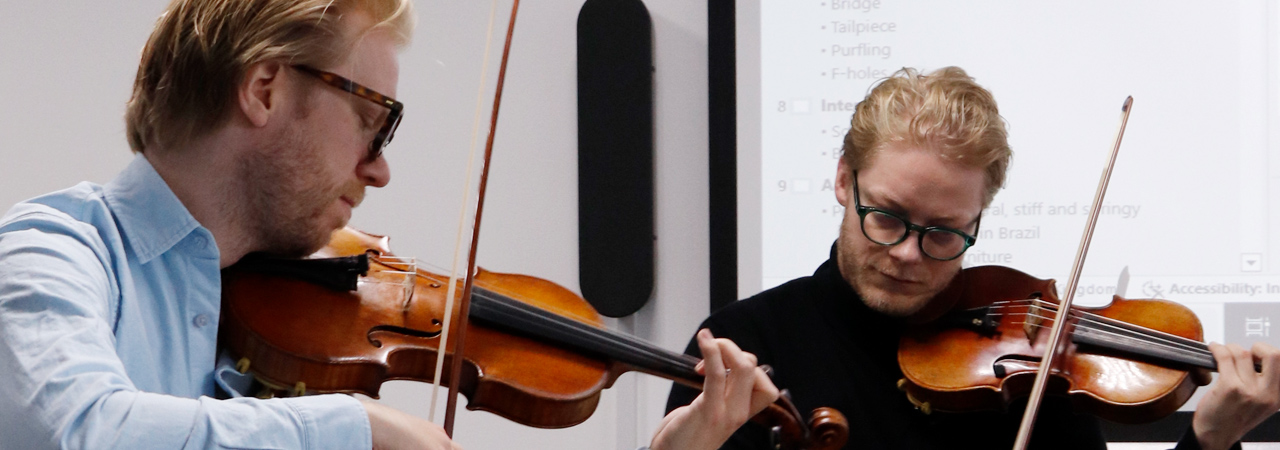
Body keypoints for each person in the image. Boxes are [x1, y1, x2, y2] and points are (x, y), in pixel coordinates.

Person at [0, 0, 775, 448]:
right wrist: (358, 424)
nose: (379, 169)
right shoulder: (53, 253)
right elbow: (82, 432)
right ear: (265, 89)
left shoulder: (292, 314)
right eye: (375, 120)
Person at [666, 66, 1280, 450]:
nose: (908, 253)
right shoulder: (744, 344)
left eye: (944, 232)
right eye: (886, 216)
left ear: (978, 219)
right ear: (843, 180)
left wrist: (1210, 437)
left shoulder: (1033, 365)